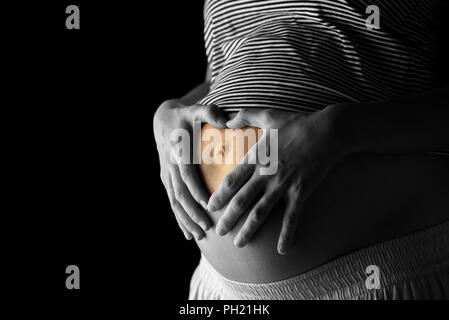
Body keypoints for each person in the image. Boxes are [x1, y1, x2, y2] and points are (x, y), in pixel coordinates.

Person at [153, 0, 449, 299]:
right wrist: (168, 112)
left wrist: (340, 130)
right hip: (223, 291)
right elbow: (224, 73)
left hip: (372, 273)